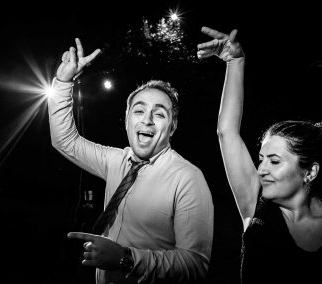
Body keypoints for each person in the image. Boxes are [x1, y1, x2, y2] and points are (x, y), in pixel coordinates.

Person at [48, 37, 214, 284]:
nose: (147, 119)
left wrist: (126, 258)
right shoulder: (115, 160)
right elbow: (65, 141)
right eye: (139, 110)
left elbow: (195, 265)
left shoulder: (187, 177)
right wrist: (63, 82)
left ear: (173, 126)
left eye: (159, 114)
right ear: (127, 120)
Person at [197, 26, 322, 284]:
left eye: (275, 161)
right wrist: (235, 61)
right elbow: (227, 131)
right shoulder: (255, 204)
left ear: (310, 172)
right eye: (261, 159)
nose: (261, 169)